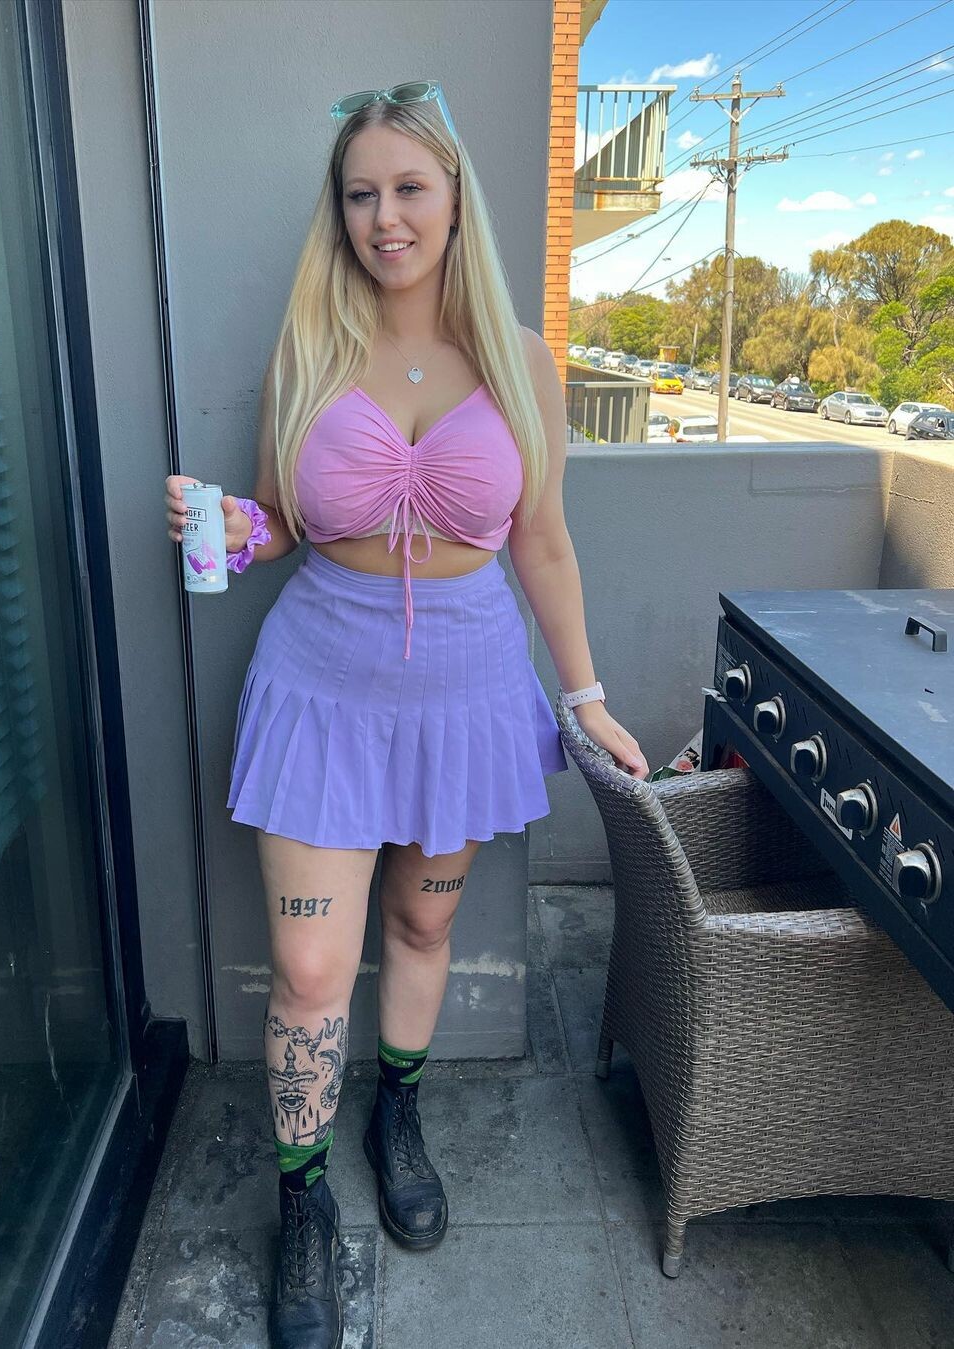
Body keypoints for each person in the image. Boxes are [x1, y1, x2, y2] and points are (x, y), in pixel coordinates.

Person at [163, 80, 648, 1349]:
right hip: (320, 688)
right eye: (361, 193)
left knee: (422, 924)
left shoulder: (523, 361)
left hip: (468, 692)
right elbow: (278, 521)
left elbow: (542, 540)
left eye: (409, 188)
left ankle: (399, 1111)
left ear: (453, 198)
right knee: (311, 969)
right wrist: (236, 525)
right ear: (340, 211)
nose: (386, 217)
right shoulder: (309, 350)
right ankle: (304, 1199)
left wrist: (587, 696)